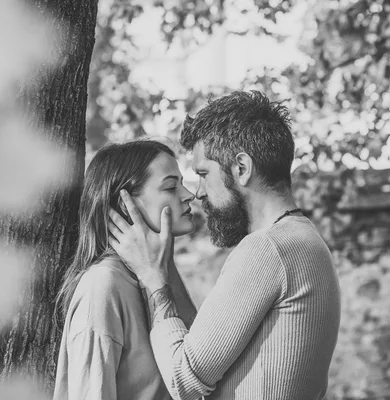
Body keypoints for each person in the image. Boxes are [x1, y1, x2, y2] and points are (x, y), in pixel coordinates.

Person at [108, 91, 341, 400]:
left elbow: (184, 381)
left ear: (241, 168)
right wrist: (164, 263)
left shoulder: (267, 250)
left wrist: (153, 279)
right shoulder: (304, 241)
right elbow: (200, 347)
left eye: (203, 174)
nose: (198, 193)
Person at [53, 140, 198, 400]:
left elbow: (193, 373)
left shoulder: (160, 275)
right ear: (125, 204)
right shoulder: (103, 286)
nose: (189, 194)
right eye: (171, 187)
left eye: (182, 183)